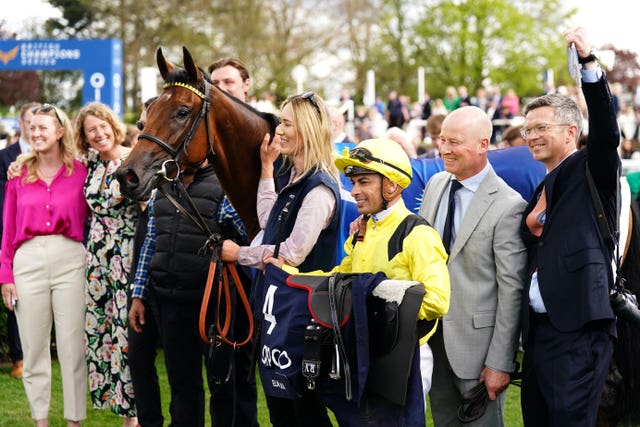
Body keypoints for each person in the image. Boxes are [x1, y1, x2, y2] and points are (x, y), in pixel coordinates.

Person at [296, 137, 450, 426]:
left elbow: (437, 300)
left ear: (391, 185)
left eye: (364, 182)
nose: (354, 191)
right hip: (364, 347)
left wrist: (375, 305)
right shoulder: (362, 230)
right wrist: (291, 276)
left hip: (404, 358)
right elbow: (341, 278)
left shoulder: (417, 234)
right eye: (353, 182)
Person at [221, 91, 341, 427]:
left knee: (303, 411)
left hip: (301, 321)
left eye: (287, 123)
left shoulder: (319, 190)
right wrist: (266, 168)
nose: (280, 131)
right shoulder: (295, 179)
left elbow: (290, 254)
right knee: (281, 410)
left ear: (308, 129)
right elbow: (267, 222)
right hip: (279, 316)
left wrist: (238, 254)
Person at [519, 28, 618, 427]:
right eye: (528, 129)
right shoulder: (540, 186)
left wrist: (589, 64)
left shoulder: (590, 170)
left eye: (541, 127)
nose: (532, 136)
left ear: (570, 132)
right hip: (539, 332)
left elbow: (608, 131)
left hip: (579, 329)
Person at [418, 106, 527, 426]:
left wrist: (500, 363)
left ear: (483, 144)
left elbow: (512, 292)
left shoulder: (509, 205)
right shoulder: (436, 184)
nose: (444, 149)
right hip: (432, 342)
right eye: (442, 140)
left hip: (479, 355)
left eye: (454, 142)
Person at [0, 103, 88, 427]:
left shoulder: (81, 172)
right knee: (34, 349)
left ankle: (74, 420)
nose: (35, 133)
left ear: (60, 132)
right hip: (28, 261)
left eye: (43, 128)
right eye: (32, 128)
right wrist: (5, 275)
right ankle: (40, 420)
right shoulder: (18, 175)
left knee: (71, 347)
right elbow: (8, 230)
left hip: (70, 259)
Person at [75, 102, 139, 427]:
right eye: (91, 130)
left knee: (125, 332)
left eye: (102, 127)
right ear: (84, 138)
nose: (99, 134)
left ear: (113, 126)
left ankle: (134, 416)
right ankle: (115, 400)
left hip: (125, 257)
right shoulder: (90, 165)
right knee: (101, 330)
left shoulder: (135, 158)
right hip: (97, 260)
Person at [126, 96, 165, 427]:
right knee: (138, 358)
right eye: (142, 126)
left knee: (184, 372)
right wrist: (138, 291)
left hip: (177, 278)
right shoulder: (137, 161)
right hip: (144, 273)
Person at [0, 101, 40, 380]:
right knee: (16, 297)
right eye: (30, 121)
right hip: (13, 235)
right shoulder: (5, 159)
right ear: (21, 124)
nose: (35, 126)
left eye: (41, 121)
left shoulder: (56, 157)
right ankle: (19, 357)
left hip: (48, 236)